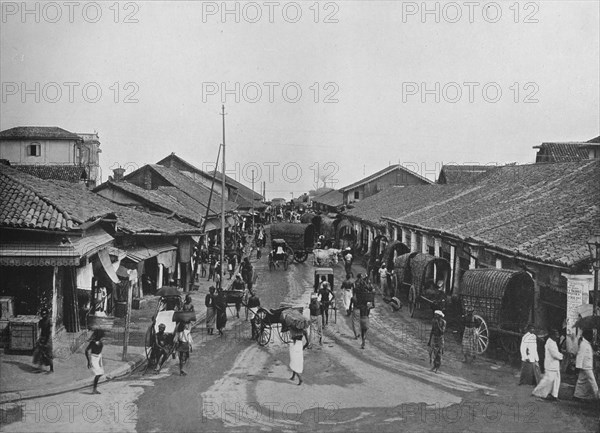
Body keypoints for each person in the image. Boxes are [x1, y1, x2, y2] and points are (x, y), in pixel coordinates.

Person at [532, 329, 564, 401]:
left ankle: (554, 395)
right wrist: (562, 356)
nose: (558, 336)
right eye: (556, 334)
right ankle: (537, 392)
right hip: (550, 365)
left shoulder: (553, 342)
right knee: (547, 381)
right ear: (552, 335)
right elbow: (555, 354)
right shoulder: (550, 343)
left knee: (556, 381)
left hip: (554, 365)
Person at [573, 330, 599, 401]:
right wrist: (578, 367)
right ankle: (597, 396)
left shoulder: (586, 343)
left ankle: (577, 395)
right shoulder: (584, 344)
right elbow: (580, 356)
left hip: (586, 366)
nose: (592, 337)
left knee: (581, 380)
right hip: (586, 366)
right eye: (591, 335)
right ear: (586, 336)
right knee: (592, 380)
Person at [33, 308, 54, 373]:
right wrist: (39, 339)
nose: (43, 315)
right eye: (42, 314)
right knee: (40, 353)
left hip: (48, 339)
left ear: (47, 314)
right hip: (42, 338)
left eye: (44, 314)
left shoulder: (49, 321)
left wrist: (46, 341)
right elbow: (40, 330)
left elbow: (49, 332)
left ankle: (51, 369)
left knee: (48, 354)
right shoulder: (41, 321)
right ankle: (40, 368)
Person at [85, 329, 105, 393]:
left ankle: (94, 386)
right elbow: (86, 350)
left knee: (101, 373)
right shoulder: (93, 342)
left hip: (99, 357)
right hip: (94, 358)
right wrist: (89, 361)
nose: (102, 337)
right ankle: (94, 389)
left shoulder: (100, 342)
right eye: (101, 336)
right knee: (98, 373)